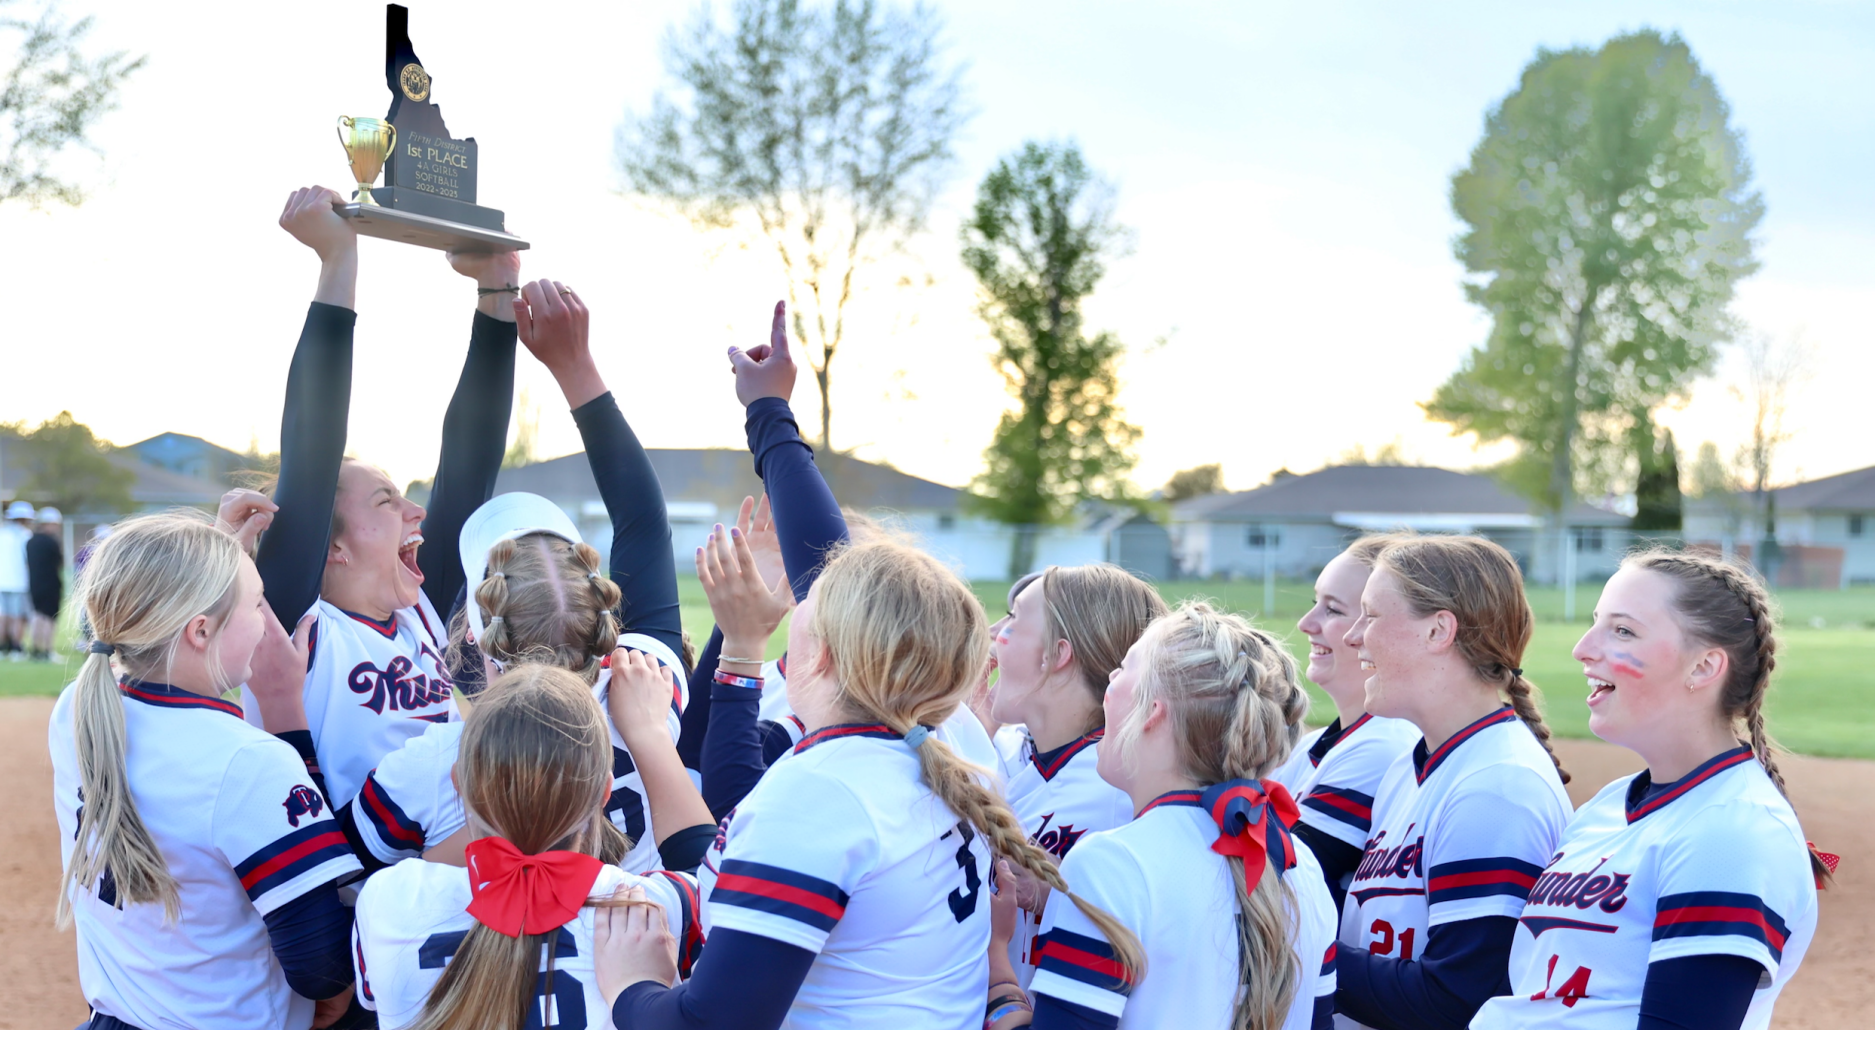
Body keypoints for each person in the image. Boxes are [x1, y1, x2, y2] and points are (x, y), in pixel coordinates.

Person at [595, 538, 1121, 1029]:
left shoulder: (824, 791)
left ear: (824, 653)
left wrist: (632, 984)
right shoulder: (932, 754)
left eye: (808, 605)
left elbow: (715, 1022)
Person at [345, 279, 713, 876]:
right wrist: (577, 366)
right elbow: (644, 522)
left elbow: (343, 874)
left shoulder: (438, 762)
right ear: (603, 618)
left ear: (476, 633)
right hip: (637, 959)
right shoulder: (651, 690)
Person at [217, 186, 519, 815]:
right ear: (332, 549)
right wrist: (338, 261)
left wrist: (498, 295)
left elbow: (468, 463)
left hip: (437, 877)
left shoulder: (420, 615)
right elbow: (311, 448)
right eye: (386, 502)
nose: (418, 515)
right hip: (353, 888)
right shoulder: (296, 620)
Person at [1472, 550, 1827, 1030]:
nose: (1583, 648)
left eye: (1622, 631)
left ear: (1703, 668)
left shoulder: (1732, 830)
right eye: (1597, 623)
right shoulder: (1608, 805)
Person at [49, 512, 361, 1029]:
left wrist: (213, 566)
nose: (266, 618)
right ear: (200, 629)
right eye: (255, 602)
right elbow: (320, 970)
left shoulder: (76, 709)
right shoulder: (247, 762)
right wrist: (285, 710)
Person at [993, 601, 1338, 1030]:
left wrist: (999, 976)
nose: (1109, 683)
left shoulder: (1111, 864)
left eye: (1123, 669)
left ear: (1153, 710)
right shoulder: (1297, 861)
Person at [351, 664, 702, 1029]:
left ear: (459, 783)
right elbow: (714, 883)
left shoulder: (387, 898)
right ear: (604, 794)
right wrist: (651, 734)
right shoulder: (653, 905)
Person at [1333, 535, 1572, 1029]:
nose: (1354, 635)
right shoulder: (1411, 767)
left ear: (1439, 629)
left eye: (1372, 615)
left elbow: (1460, 1000)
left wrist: (1299, 955)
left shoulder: (1497, 785)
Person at [988, 564, 1168, 986]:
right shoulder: (1002, 751)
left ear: (1056, 655)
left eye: (1013, 619)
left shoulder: (1127, 789)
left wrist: (1065, 896)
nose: (996, 632)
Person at [1269, 535, 1419, 913]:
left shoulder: (1383, 744)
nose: (1306, 623)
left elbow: (1273, 883)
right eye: (1315, 603)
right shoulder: (1317, 743)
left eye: (1333, 610)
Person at [27, 505, 63, 661]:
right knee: (49, 617)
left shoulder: (30, 541)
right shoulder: (51, 542)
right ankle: (48, 650)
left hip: (34, 584)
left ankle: (35, 649)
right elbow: (59, 563)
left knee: (37, 615)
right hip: (50, 584)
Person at [0, 500, 31, 659]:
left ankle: (2, 648)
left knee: (2, 616)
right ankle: (16, 648)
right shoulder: (26, 536)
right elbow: (28, 561)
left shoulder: (2, 533)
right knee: (16, 617)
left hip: (1, 582)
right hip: (19, 583)